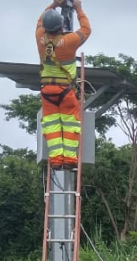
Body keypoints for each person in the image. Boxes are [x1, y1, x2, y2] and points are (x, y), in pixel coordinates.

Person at [36, 0, 92, 168]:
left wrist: (53, 4)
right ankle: (69, 161)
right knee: (70, 124)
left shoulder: (39, 37)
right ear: (61, 26)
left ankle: (56, 161)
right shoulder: (69, 41)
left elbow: (40, 21)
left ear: (46, 27)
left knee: (51, 126)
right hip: (66, 92)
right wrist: (78, 9)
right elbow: (86, 29)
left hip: (47, 92)